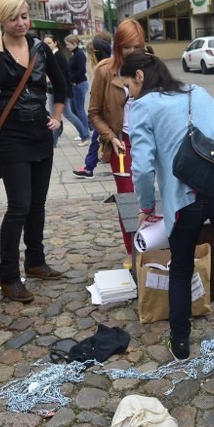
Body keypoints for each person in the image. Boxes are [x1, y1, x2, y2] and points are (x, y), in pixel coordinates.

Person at [121, 50, 214, 385]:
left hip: (184, 199)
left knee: (180, 268)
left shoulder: (141, 106)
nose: (128, 93)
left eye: (128, 85)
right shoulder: (199, 92)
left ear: (141, 77)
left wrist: (146, 205)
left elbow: (143, 167)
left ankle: (180, 343)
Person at [0, 0, 67, 303]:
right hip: (12, 136)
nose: (21, 23)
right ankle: (9, 277)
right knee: (19, 206)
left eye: (24, 16)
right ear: (1, 19)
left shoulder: (40, 48)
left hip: (40, 134)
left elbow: (62, 84)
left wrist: (57, 117)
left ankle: (36, 261)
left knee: (38, 204)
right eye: (13, 18)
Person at [87, 19, 147, 255]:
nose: (132, 52)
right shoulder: (105, 71)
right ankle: (133, 253)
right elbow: (94, 113)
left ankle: (155, 247)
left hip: (149, 140)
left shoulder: (151, 66)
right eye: (126, 47)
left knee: (156, 197)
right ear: (117, 46)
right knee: (128, 199)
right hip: (122, 144)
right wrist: (110, 136)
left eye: (136, 46)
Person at [72, 33, 114, 179]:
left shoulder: (104, 68)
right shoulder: (110, 64)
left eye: (90, 55)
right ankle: (89, 167)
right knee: (99, 138)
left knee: (98, 138)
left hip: (108, 111)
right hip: (109, 110)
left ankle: (89, 168)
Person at [43, 34, 90, 147]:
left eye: (49, 43)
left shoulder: (58, 55)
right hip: (55, 89)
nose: (46, 45)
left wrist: (51, 78)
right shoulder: (52, 55)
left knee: (68, 113)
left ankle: (84, 134)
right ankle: (53, 142)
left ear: (55, 43)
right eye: (45, 43)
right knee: (57, 115)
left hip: (61, 90)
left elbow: (65, 73)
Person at [65, 35, 89, 132]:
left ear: (74, 43)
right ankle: (86, 127)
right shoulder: (75, 54)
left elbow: (82, 70)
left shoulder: (79, 54)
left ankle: (84, 131)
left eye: (68, 44)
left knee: (79, 109)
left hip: (79, 84)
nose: (67, 47)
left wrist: (71, 79)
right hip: (76, 83)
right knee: (74, 109)